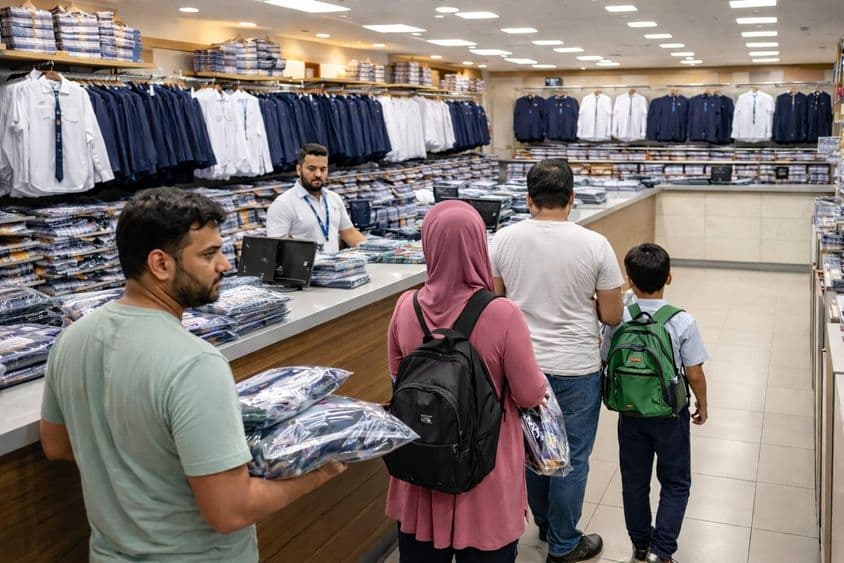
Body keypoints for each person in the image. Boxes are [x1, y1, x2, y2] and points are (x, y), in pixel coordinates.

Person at [39, 187, 346, 562]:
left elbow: (57, 446)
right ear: (161, 264)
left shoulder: (71, 340)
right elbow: (229, 510)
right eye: (209, 254)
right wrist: (320, 472)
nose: (225, 265)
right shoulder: (195, 363)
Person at [386, 200, 548, 562]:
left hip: (422, 466)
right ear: (479, 243)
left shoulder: (405, 307)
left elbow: (397, 378)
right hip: (483, 471)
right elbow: (528, 394)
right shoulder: (502, 313)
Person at [491, 159, 624, 562]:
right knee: (574, 456)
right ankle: (564, 544)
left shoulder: (502, 240)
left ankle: (545, 524)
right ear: (572, 199)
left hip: (521, 366)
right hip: (576, 365)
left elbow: (496, 303)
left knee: (532, 449)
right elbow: (613, 315)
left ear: (529, 199)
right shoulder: (595, 244)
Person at [600, 243, 709, 563]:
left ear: (629, 281)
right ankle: (662, 551)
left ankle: (640, 544)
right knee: (675, 482)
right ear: (670, 278)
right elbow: (695, 372)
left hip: (630, 413)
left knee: (634, 481)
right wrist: (703, 403)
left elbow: (605, 357)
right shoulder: (682, 321)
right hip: (669, 414)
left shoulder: (619, 318)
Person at [266, 143, 366, 253]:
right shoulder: (283, 204)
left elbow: (349, 233)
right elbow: (276, 246)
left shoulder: (334, 198)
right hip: (304, 269)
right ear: (299, 170)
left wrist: (375, 252)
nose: (318, 174)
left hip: (334, 268)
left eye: (323, 169)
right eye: (311, 169)